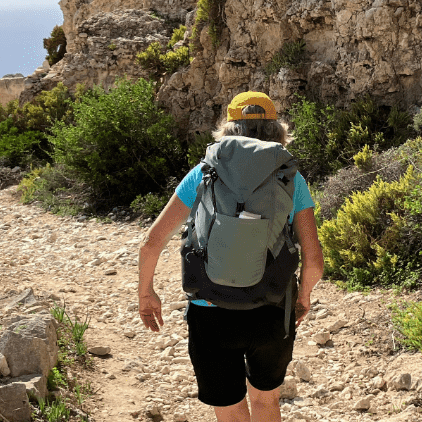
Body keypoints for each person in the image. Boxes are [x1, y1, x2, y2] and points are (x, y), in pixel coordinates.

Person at [137, 91, 324, 422]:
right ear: (277, 130)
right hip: (272, 308)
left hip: (211, 311)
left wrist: (146, 293)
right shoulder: (290, 177)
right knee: (266, 402)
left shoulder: (204, 172)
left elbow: (153, 241)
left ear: (228, 128)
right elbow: (313, 258)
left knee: (230, 408)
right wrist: (303, 297)